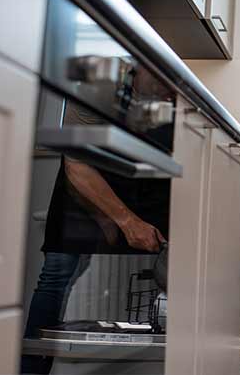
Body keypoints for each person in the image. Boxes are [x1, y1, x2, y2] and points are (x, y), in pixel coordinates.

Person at [21, 99, 170, 374]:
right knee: (56, 274)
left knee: (167, 272)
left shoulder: (175, 100)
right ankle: (30, 369)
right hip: (85, 183)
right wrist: (122, 220)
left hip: (145, 182)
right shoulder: (94, 91)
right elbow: (76, 165)